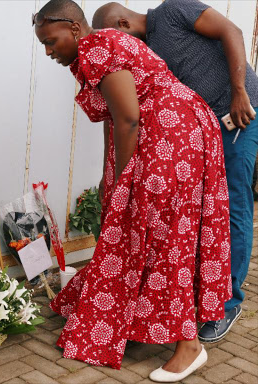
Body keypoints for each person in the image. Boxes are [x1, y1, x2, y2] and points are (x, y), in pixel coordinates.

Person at [33, 0, 231, 381]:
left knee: (165, 234)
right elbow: (117, 117)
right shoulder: (98, 49)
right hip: (178, 129)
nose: (48, 50)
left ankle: (189, 347)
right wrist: (114, 178)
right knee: (164, 230)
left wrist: (125, 181)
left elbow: (128, 118)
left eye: (50, 40)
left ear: (74, 29)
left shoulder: (100, 48)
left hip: (169, 135)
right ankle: (141, 321)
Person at [92, 0, 258, 344]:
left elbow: (233, 31)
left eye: (115, 38)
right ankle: (205, 298)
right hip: (204, 128)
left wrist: (240, 93)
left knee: (233, 208)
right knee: (205, 214)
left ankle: (229, 304)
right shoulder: (146, 52)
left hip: (239, 114)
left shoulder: (172, 11)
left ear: (123, 23)